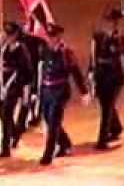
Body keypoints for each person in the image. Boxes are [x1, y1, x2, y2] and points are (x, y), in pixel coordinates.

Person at [38, 23, 90, 165]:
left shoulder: (66, 52)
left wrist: (84, 92)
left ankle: (48, 155)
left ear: (59, 37)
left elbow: (76, 72)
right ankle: (65, 142)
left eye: (53, 36)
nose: (51, 39)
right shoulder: (45, 50)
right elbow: (42, 71)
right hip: (47, 90)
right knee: (48, 119)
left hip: (60, 90)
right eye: (49, 36)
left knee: (54, 121)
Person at [88, 8, 124, 149]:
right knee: (105, 104)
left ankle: (102, 140)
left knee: (107, 107)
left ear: (115, 22)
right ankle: (116, 127)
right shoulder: (97, 36)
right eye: (106, 20)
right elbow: (93, 55)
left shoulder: (120, 38)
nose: (107, 24)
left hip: (114, 76)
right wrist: (91, 71)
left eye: (110, 21)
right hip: (101, 74)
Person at [0, 22, 33, 157]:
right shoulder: (1, 47)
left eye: (10, 35)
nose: (7, 37)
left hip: (13, 85)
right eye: (5, 34)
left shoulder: (21, 50)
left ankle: (5, 147)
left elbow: (27, 71)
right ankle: (14, 133)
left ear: (16, 35)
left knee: (6, 114)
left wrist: (27, 89)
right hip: (0, 84)